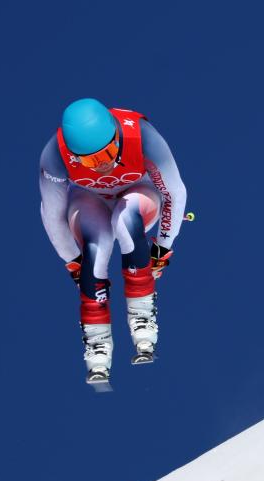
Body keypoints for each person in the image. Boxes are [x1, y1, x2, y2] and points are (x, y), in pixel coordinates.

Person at [38, 98, 188, 385]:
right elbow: (52, 214)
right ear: (74, 156)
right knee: (94, 248)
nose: (103, 164)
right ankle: (97, 342)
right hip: (88, 199)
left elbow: (174, 193)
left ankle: (142, 316)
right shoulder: (55, 156)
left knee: (126, 219)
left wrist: (163, 247)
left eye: (107, 152)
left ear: (117, 136)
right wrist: (72, 259)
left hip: (139, 191)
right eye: (91, 160)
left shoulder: (141, 136)